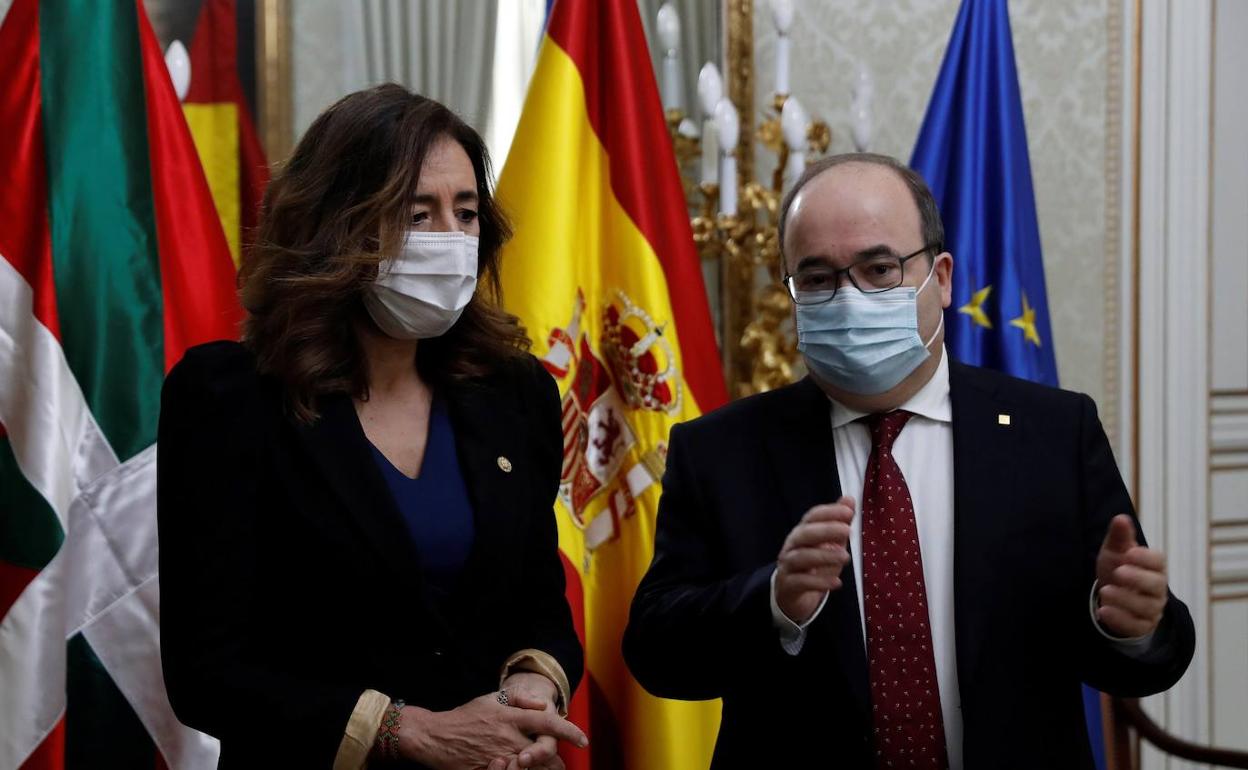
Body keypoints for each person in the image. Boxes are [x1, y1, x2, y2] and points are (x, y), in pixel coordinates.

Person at [622, 153, 1195, 769]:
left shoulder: (1051, 432)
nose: (849, 298)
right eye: (816, 278)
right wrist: (772, 602)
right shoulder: (721, 450)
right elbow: (657, 651)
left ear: (941, 278)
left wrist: (1130, 625)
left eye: (879, 268)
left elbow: (1149, 650)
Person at [158, 84, 587, 770]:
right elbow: (205, 672)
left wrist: (531, 689)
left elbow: (540, 608)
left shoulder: (517, 394)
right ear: (337, 226)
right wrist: (407, 731)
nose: (451, 240)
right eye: (418, 215)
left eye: (467, 212)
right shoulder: (229, 398)